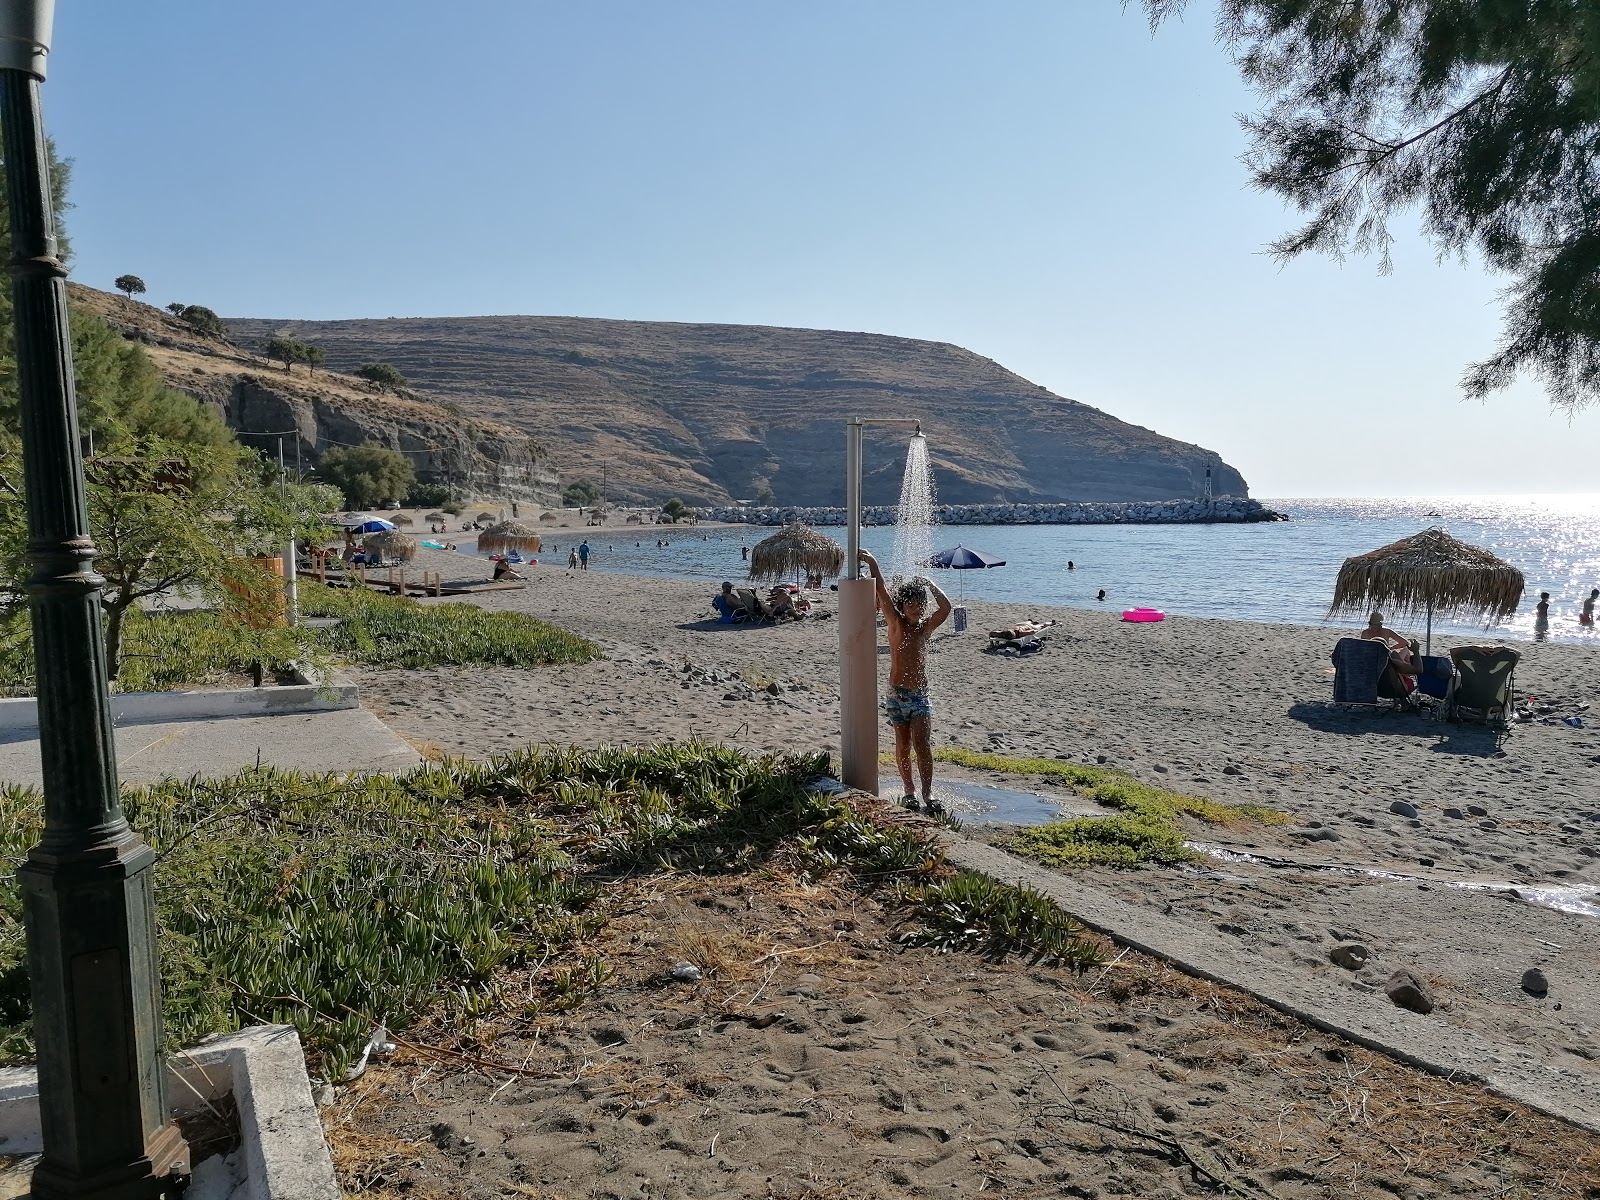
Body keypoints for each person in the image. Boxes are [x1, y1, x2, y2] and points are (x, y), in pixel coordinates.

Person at [860, 549, 952, 813]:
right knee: (902, 744)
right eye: (910, 602)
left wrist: (929, 583)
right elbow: (881, 591)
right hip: (896, 695)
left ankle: (928, 793)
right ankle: (909, 792)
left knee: (922, 744)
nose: (915, 607)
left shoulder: (925, 628)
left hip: (919, 695)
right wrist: (874, 562)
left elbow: (946, 607)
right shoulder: (895, 623)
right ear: (902, 606)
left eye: (919, 603)